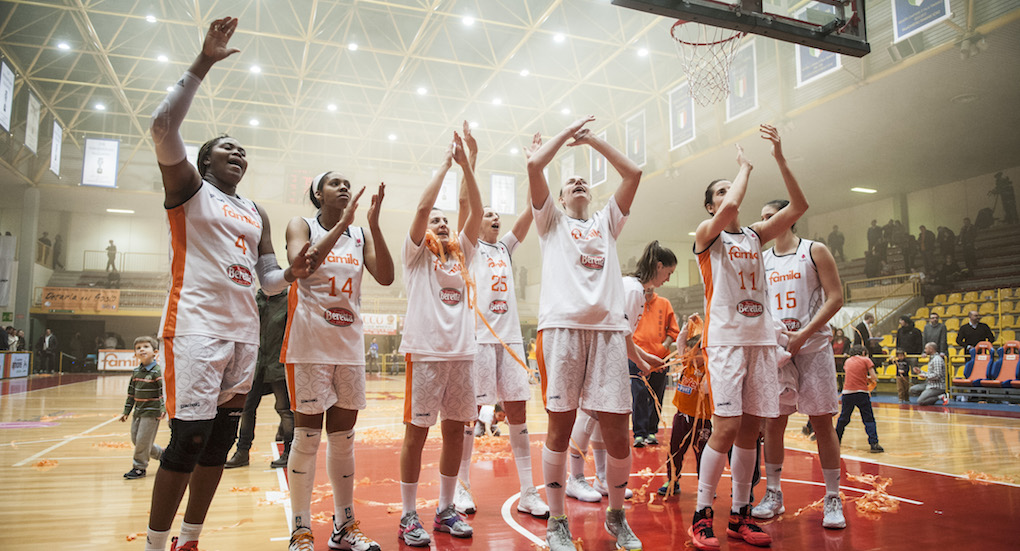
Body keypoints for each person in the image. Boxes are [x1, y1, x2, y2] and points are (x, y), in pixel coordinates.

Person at [145, 17, 315, 551]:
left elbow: (268, 281)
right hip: (196, 325)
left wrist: (293, 273)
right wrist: (203, 63)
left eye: (243, 151)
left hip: (245, 333)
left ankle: (189, 539)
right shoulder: (190, 191)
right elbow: (161, 125)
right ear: (204, 160)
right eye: (227, 149)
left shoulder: (255, 210)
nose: (239, 155)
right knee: (188, 438)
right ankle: (154, 542)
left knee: (218, 441)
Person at [687, 124, 808, 551]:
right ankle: (703, 516)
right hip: (725, 343)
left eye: (727, 189)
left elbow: (800, 205)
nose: (728, 196)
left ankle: (740, 515)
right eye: (718, 192)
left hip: (760, 342)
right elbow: (734, 203)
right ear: (709, 205)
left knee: (751, 431)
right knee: (726, 427)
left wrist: (779, 157)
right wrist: (744, 167)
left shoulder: (755, 236)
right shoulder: (708, 236)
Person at [528, 116, 645, 551]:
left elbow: (633, 173)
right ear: (557, 199)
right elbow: (535, 168)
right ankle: (557, 520)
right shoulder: (550, 223)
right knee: (559, 429)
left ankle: (617, 516)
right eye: (569, 182)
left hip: (608, 333)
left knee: (618, 431)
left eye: (583, 181)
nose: (577, 182)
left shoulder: (607, 221)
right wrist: (561, 140)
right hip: (561, 330)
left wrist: (592, 140)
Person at [281, 168, 393, 551]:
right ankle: (300, 528)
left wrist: (373, 224)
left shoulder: (359, 235)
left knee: (343, 439)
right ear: (317, 194)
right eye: (335, 183)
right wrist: (342, 223)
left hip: (348, 347)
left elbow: (387, 276)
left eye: (347, 183)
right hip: (309, 344)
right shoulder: (302, 224)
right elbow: (302, 266)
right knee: (307, 438)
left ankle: (344, 524)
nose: (344, 187)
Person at [453, 125, 549, 520]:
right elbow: (464, 202)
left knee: (519, 415)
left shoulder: (504, 248)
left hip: (509, 340)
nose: (493, 216)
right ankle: (460, 488)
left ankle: (528, 491)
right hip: (476, 339)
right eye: (487, 213)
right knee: (469, 416)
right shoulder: (468, 247)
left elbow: (532, 211)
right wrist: (470, 159)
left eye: (496, 214)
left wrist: (536, 164)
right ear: (476, 222)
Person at [397, 132, 481, 547]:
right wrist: (447, 165)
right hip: (426, 352)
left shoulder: (464, 252)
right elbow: (422, 207)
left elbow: (476, 211)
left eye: (446, 219)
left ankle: (445, 508)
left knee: (454, 432)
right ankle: (408, 514)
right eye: (437, 221)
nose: (442, 222)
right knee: (416, 433)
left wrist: (469, 166)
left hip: (463, 354)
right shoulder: (416, 255)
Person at [753, 197, 846, 530]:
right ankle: (774, 493)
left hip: (814, 347)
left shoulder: (814, 250)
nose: (762, 224)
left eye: (769, 217)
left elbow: (836, 297)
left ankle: (833, 497)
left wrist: (804, 333)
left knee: (822, 422)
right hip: (778, 351)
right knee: (773, 424)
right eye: (761, 218)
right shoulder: (761, 259)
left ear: (786, 218)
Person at [224, 288, 293, 470]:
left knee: (285, 409)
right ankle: (242, 452)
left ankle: (289, 452)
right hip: (254, 364)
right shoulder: (254, 299)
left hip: (279, 363)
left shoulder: (289, 301)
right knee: (247, 409)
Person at [628, 241, 679, 447]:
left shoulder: (663, 303)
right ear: (658, 266)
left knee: (656, 396)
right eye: (669, 273)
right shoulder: (634, 293)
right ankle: (639, 432)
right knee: (639, 395)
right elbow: (624, 332)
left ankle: (651, 431)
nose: (668, 279)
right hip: (634, 356)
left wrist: (662, 349)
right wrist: (640, 357)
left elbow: (673, 331)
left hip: (658, 357)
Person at [658, 315, 712, 498]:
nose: (690, 354)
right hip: (681, 417)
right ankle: (673, 480)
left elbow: (706, 389)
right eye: (689, 351)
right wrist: (686, 327)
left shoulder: (709, 371)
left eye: (695, 352)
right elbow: (680, 343)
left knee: (703, 455)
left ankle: (705, 486)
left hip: (702, 421)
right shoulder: (685, 364)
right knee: (675, 450)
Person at [120, 336, 165, 479]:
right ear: (135, 354)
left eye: (146, 347)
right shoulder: (136, 372)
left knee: (142, 442)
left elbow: (163, 392)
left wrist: (163, 409)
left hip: (151, 413)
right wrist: (126, 412)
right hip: (138, 412)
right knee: (136, 440)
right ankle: (163, 455)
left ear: (155, 352)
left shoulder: (158, 372)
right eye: (138, 348)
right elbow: (131, 394)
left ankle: (139, 467)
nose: (142, 350)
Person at [834, 345, 884, 453]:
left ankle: (836, 440)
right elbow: (874, 377)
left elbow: (853, 375)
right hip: (862, 393)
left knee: (843, 418)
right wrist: (869, 379)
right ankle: (874, 444)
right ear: (863, 352)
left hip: (847, 393)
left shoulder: (847, 361)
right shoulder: (866, 360)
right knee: (868, 419)